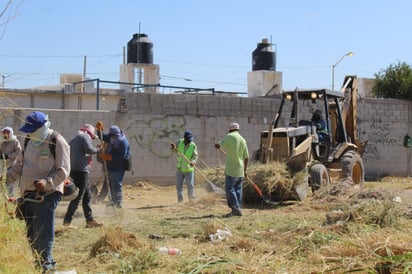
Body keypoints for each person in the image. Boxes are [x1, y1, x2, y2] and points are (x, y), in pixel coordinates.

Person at [4, 111, 70, 272]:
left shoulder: (57, 141)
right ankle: (39, 261)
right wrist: (7, 178)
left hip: (47, 193)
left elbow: (63, 170)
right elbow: (20, 164)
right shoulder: (28, 140)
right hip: (27, 193)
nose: (29, 132)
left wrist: (46, 182)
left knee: (42, 230)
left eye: (32, 129)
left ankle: (46, 265)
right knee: (31, 232)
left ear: (42, 127)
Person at [63, 124, 103, 229]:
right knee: (77, 197)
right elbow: (89, 150)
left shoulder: (74, 139)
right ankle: (67, 222)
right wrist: (98, 149)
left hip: (74, 170)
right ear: (90, 132)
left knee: (87, 196)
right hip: (82, 171)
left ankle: (89, 220)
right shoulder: (85, 137)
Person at [214, 122, 249, 217]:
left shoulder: (229, 136)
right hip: (240, 170)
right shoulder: (243, 139)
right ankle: (236, 209)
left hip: (231, 170)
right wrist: (245, 170)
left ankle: (236, 209)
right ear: (238, 129)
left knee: (230, 189)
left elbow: (218, 145)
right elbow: (246, 157)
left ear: (230, 129)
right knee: (238, 190)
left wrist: (216, 145)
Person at [96, 122, 130, 208]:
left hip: (119, 167)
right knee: (110, 185)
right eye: (111, 136)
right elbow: (102, 137)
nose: (113, 138)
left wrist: (108, 157)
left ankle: (118, 204)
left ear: (117, 134)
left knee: (116, 185)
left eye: (114, 136)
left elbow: (120, 158)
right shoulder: (111, 137)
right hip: (111, 166)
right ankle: (112, 203)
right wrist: (99, 130)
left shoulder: (123, 142)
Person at [170, 130, 198, 203]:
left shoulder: (193, 145)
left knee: (190, 186)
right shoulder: (179, 142)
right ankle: (180, 201)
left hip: (189, 169)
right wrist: (173, 148)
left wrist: (193, 162)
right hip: (179, 169)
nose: (189, 141)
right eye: (188, 139)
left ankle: (191, 201)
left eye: (190, 140)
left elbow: (195, 156)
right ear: (184, 138)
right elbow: (174, 151)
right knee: (179, 186)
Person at [0, 127, 22, 197]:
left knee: (10, 183)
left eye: (7, 133)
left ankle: (10, 198)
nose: (5, 134)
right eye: (4, 133)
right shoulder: (3, 142)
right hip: (4, 166)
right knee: (3, 182)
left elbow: (18, 152)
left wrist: (8, 156)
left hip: (12, 165)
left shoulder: (15, 141)